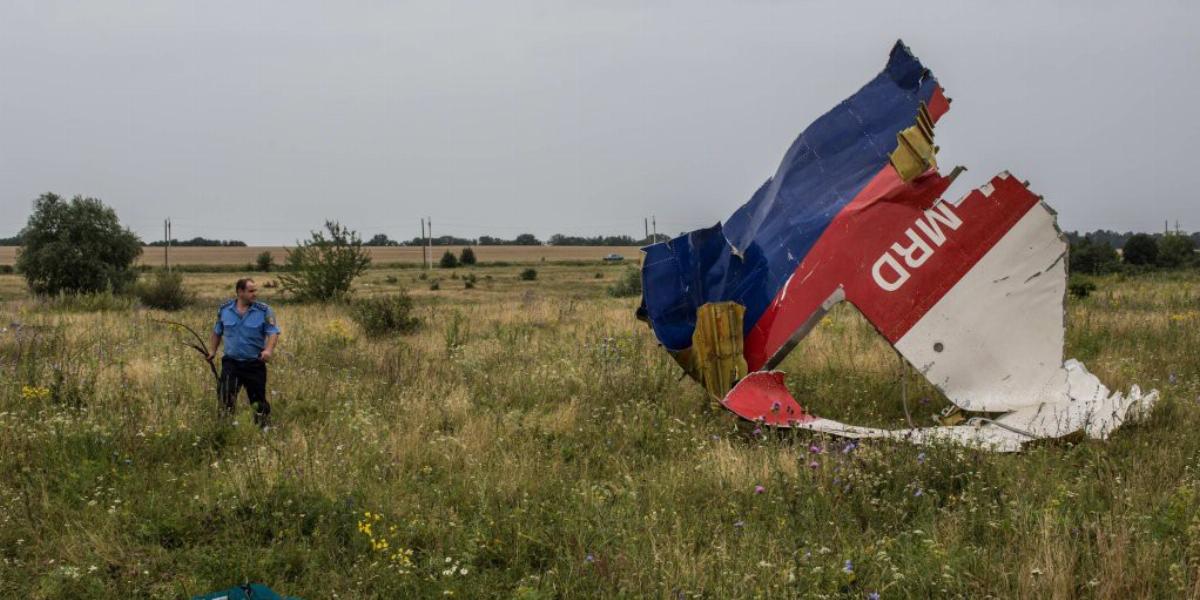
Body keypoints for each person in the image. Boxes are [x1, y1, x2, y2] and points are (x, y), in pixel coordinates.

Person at [207, 277, 280, 428]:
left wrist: (268, 350)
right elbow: (217, 331)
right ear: (240, 292)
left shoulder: (264, 311)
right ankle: (225, 428)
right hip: (231, 363)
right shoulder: (224, 310)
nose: (255, 294)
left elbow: (273, 332)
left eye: (255, 290)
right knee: (225, 397)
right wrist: (212, 351)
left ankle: (264, 429)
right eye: (251, 291)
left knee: (258, 400)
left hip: (254, 363)